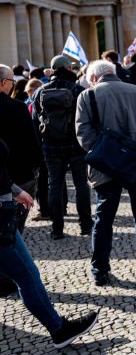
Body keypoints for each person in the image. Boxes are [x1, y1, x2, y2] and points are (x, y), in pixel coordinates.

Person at [75, 60, 136, 286]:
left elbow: (83, 134)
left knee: (104, 218)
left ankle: (100, 269)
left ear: (93, 78)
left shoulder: (87, 97)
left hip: (105, 167)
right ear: (113, 73)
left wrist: (104, 154)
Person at [0, 139, 100, 349]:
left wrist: (15, 190)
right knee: (26, 276)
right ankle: (58, 329)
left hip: (4, 215)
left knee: (28, 274)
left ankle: (58, 328)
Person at [31, 55, 93, 240]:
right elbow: (87, 120)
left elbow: (35, 122)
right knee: (81, 184)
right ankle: (86, 225)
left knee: (54, 185)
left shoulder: (40, 92)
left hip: (50, 145)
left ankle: (57, 229)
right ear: (67, 69)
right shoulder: (78, 90)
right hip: (76, 144)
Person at [0, 64, 45, 295]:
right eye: (10, 81)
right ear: (3, 83)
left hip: (9, 177)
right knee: (13, 233)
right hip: (17, 178)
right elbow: (33, 143)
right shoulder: (16, 108)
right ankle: (9, 277)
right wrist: (35, 169)